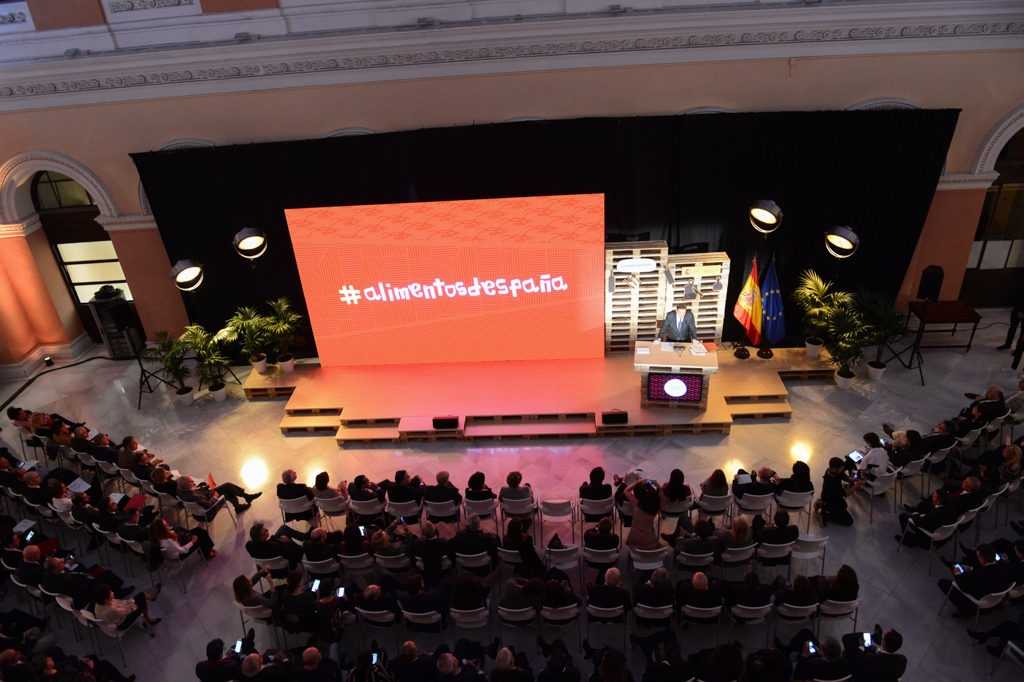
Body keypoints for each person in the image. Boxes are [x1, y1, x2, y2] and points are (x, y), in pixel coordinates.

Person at [937, 543, 1013, 618]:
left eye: (978, 556)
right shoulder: (1003, 565)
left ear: (982, 560)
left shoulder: (979, 575)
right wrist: (971, 569)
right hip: (996, 597)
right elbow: (987, 570)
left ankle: (964, 611)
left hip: (979, 599)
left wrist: (957, 574)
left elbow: (963, 587)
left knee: (943, 583)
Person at [841, 627, 907, 682]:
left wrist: (861, 647)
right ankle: (875, 637)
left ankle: (875, 637)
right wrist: (876, 649)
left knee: (847, 638)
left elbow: (858, 661)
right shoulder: (902, 661)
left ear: (884, 643)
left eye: (883, 638)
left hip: (861, 676)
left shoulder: (870, 659)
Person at [92, 582, 161, 634]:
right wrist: (132, 601)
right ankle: (152, 598)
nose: (113, 592)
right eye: (111, 593)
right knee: (143, 599)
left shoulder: (99, 602)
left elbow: (120, 604)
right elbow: (129, 610)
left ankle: (148, 619)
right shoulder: (111, 609)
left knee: (143, 600)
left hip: (118, 616)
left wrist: (130, 602)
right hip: (123, 623)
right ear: (105, 599)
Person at [815, 457, 865, 527]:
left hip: (834, 497)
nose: (842, 470)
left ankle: (821, 504)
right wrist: (858, 484)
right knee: (849, 521)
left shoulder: (831, 471)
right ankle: (827, 515)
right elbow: (846, 494)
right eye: (841, 469)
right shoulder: (831, 483)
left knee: (844, 505)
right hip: (831, 501)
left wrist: (856, 479)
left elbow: (846, 478)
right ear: (835, 469)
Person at [177, 474, 261, 514]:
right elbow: (208, 505)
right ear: (185, 486)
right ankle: (238, 506)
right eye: (191, 482)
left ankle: (246, 496)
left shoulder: (181, 489)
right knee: (229, 493)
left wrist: (206, 487)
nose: (193, 482)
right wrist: (215, 497)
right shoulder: (193, 496)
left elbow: (197, 490)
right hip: (211, 504)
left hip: (207, 494)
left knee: (228, 485)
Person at [149, 517, 216, 560]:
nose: (168, 525)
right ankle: (206, 553)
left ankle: (205, 550)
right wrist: (192, 541)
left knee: (198, 529)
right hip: (181, 554)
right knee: (203, 533)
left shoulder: (157, 536)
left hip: (178, 543)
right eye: (166, 525)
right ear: (162, 529)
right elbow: (182, 550)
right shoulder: (168, 540)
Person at [624, 480, 660, 550]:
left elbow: (627, 490)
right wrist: (659, 488)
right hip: (649, 539)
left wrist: (636, 482)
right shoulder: (653, 507)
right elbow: (658, 497)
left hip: (634, 537)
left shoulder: (636, 503)